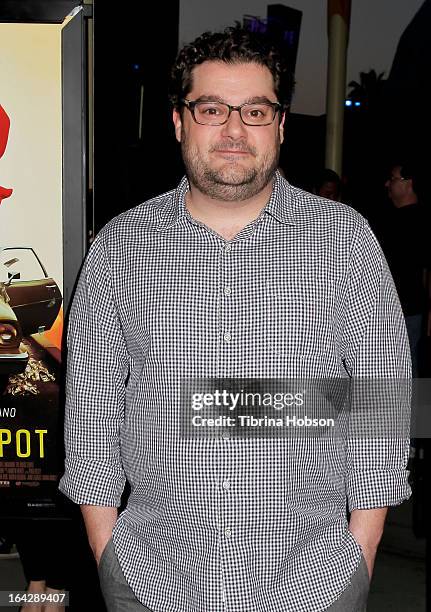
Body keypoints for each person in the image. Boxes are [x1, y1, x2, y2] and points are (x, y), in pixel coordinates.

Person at [59, 26, 411, 612]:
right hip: (153, 579)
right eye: (212, 108)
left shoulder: (346, 240)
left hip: (312, 580)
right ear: (179, 121)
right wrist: (106, 548)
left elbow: (381, 403)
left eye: (254, 110)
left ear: (280, 124)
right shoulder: (121, 246)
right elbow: (92, 408)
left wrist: (362, 549)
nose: (232, 129)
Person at [380, 162, 429, 377]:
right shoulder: (391, 219)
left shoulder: (419, 221)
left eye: (393, 179)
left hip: (407, 310)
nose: (387, 184)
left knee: (404, 368)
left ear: (409, 184)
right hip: (394, 310)